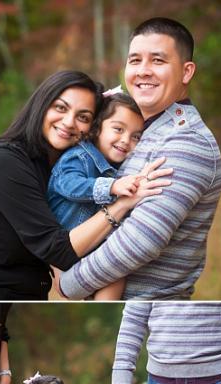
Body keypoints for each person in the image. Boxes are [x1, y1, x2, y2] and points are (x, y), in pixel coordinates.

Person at [0, 69, 169, 300]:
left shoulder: (52, 163)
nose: (69, 122)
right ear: (42, 105)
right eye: (60, 108)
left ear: (92, 127)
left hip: (20, 298)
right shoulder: (4, 162)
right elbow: (58, 250)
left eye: (83, 117)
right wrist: (122, 204)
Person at [58, 18, 221, 300]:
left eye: (158, 61)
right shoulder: (137, 131)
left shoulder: (188, 142)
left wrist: (65, 284)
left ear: (186, 72)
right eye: (135, 60)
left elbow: (139, 242)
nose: (143, 71)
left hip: (149, 308)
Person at [47, 91, 145, 300]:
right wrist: (110, 187)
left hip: (91, 247)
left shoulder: (118, 166)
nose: (126, 140)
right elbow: (69, 185)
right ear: (97, 128)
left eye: (136, 136)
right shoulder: (78, 156)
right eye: (118, 129)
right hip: (68, 248)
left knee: (117, 277)